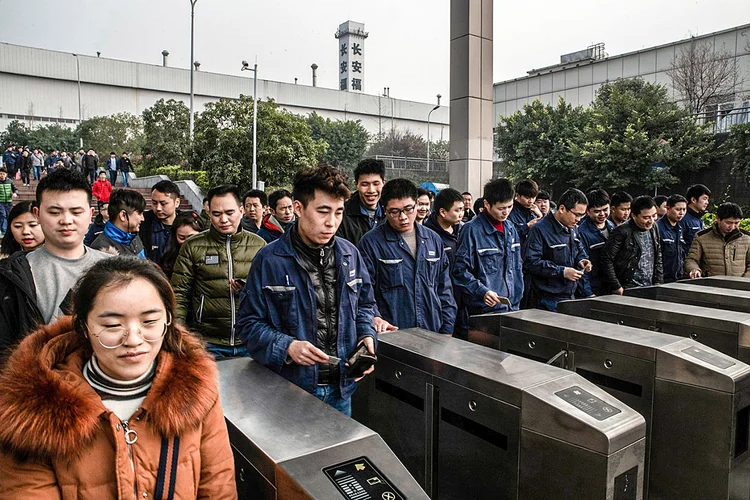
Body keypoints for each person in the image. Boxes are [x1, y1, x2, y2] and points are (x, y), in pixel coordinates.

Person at [0, 257, 237, 498]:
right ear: (84, 326)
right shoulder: (34, 410)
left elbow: (218, 485)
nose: (133, 339)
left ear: (168, 320)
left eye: (150, 321)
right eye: (113, 325)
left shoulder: (196, 389)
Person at [238, 165, 377, 414]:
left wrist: (367, 335)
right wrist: (287, 346)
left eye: (338, 212)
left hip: (342, 389)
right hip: (289, 391)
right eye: (323, 211)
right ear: (299, 208)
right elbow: (248, 325)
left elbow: (365, 305)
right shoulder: (270, 259)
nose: (331, 223)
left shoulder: (350, 255)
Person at [0, 169, 110, 354]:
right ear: (37, 214)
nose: (66, 220)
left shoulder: (114, 269)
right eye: (54, 212)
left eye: (76, 212)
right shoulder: (12, 275)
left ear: (90, 214)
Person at [171, 184, 265, 358]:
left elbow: (269, 294)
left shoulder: (259, 245)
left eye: (229, 213)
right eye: (216, 214)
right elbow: (179, 294)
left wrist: (247, 291)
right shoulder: (193, 246)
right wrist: (179, 335)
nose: (223, 219)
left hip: (250, 339)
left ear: (241, 210)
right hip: (208, 342)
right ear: (208, 213)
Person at [359, 178, 456, 335]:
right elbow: (364, 291)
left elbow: (444, 289)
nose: (403, 217)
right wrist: (375, 317)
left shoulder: (433, 240)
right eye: (394, 212)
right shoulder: (371, 243)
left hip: (432, 331)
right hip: (393, 333)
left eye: (408, 209)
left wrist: (447, 328)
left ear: (417, 204)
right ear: (384, 210)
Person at [454, 178, 525, 318]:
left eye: (510, 207)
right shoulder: (471, 230)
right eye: (501, 208)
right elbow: (460, 271)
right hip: (485, 310)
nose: (506, 212)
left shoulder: (511, 229)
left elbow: (517, 266)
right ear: (486, 204)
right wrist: (482, 291)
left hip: (513, 306)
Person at [523, 189, 591, 311]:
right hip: (545, 300)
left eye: (582, 215)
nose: (579, 219)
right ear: (562, 208)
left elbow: (578, 249)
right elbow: (531, 263)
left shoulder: (572, 228)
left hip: (569, 295)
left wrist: (582, 260)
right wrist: (562, 271)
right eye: (576, 214)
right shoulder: (539, 229)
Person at [601, 196, 663, 294]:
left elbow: (658, 256)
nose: (651, 221)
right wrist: (616, 286)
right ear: (634, 216)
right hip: (628, 287)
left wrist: (659, 282)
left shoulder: (654, 227)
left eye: (654, 216)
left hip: (650, 285)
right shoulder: (622, 231)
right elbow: (606, 259)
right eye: (646, 217)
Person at [685, 202, 750, 278]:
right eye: (728, 222)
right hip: (711, 285)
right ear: (718, 219)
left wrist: (745, 280)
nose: (732, 227)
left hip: (739, 285)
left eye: (736, 223)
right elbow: (691, 259)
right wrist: (694, 269)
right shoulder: (702, 237)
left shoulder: (747, 238)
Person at [337, 158, 386, 244]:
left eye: (376, 184)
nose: (371, 190)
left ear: (383, 183)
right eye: (365, 184)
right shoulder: (342, 214)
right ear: (356, 185)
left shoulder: (392, 213)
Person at [577, 189, 615, 297]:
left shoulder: (612, 227)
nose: (602, 214)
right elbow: (581, 264)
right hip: (593, 287)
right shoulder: (581, 232)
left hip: (610, 285)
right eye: (597, 211)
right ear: (587, 211)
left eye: (605, 209)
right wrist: (588, 293)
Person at [91, 189, 147, 258]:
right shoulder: (101, 249)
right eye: (139, 213)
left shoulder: (134, 237)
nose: (143, 219)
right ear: (123, 215)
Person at [140, 180, 181, 268]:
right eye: (154, 203)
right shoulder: (143, 222)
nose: (158, 208)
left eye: (163, 203)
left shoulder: (187, 223)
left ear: (176, 202)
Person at [424, 187, 464, 267]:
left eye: (462, 210)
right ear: (442, 212)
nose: (461, 214)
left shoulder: (462, 230)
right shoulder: (427, 236)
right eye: (457, 210)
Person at [161, 211, 206, 279]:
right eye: (181, 238)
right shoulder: (168, 259)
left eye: (191, 237)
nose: (186, 242)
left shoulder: (211, 256)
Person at [656, 194, 688, 283]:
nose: (681, 213)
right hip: (663, 279)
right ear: (668, 209)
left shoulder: (680, 228)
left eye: (684, 209)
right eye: (678, 209)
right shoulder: (657, 228)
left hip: (678, 277)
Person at [508, 178, 542, 246]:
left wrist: (540, 216)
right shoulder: (509, 211)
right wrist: (527, 225)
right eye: (527, 198)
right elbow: (509, 234)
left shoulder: (534, 212)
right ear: (517, 195)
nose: (531, 201)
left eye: (533, 197)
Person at [683, 184, 711, 248]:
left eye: (707, 199)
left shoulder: (700, 219)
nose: (707, 202)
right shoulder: (683, 218)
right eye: (704, 199)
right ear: (693, 200)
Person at [0, 167, 19, 235]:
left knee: (9, 215)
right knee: (2, 215)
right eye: (0, 174)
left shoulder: (10, 181)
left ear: (6, 174)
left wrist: (15, 193)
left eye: (3, 174)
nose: (1, 175)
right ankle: (3, 231)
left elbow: (15, 189)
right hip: (0, 202)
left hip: (8, 201)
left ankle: (9, 230)